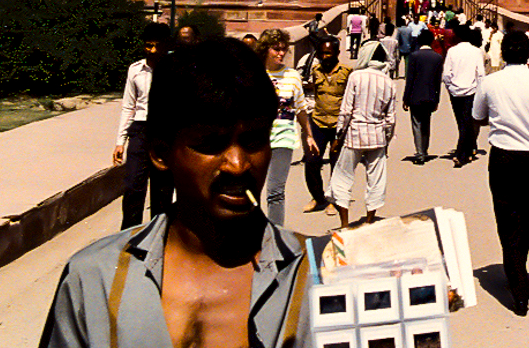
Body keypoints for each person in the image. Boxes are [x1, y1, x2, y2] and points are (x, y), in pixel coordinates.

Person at [40, 38, 321, 348]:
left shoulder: (318, 279)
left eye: (253, 142)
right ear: (161, 153)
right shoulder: (95, 279)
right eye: (210, 145)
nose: (238, 165)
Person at [472, 31, 529, 317]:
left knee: (505, 219)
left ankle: (516, 276)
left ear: (503, 54)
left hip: (503, 157)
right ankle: (518, 272)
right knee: (526, 219)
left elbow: (478, 118)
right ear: (528, 54)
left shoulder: (490, 82)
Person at [113, 22, 175, 229]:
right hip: (140, 131)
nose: (153, 51)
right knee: (133, 187)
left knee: (162, 190)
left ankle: (159, 237)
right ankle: (129, 236)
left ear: (166, 46)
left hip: (165, 133)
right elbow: (128, 107)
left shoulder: (174, 70)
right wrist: (120, 142)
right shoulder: (136, 70)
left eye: (158, 46)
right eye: (149, 46)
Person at [328, 43, 396, 227]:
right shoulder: (388, 82)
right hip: (377, 136)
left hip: (354, 134)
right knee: (376, 180)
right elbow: (390, 119)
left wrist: (337, 137)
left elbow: (346, 110)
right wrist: (387, 140)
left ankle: (344, 224)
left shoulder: (355, 77)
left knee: (342, 178)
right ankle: (369, 220)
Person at [255, 29, 317, 225]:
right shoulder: (255, 74)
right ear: (266, 49)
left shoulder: (292, 76)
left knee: (275, 191)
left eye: (283, 49)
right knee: (252, 190)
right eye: (276, 49)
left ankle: (275, 236)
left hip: (283, 137)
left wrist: (309, 135)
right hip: (257, 139)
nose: (281, 53)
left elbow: (300, 109)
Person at [302, 37, 351, 214]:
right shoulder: (316, 71)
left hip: (338, 124)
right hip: (319, 121)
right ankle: (318, 197)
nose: (324, 56)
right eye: (322, 53)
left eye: (328, 53)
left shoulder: (347, 72)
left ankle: (333, 200)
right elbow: (315, 94)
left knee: (337, 164)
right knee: (311, 162)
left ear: (337, 53)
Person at [443, 26, 485, 167]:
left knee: (462, 122)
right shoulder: (476, 52)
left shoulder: (452, 51)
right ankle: (469, 149)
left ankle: (460, 154)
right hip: (471, 91)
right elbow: (480, 74)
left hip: (455, 91)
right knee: (465, 122)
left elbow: (446, 74)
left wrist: (450, 87)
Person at [402, 28, 444, 163]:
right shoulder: (437, 57)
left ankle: (420, 152)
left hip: (415, 95)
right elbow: (438, 81)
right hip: (430, 96)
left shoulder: (414, 56)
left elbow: (410, 79)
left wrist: (405, 98)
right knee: (426, 124)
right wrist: (437, 99)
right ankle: (424, 150)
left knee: (416, 124)